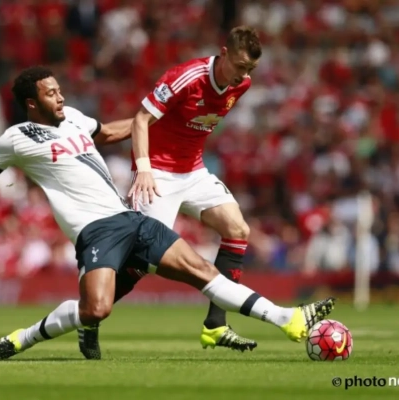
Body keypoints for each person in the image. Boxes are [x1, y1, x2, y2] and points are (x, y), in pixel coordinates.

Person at [0, 66, 335, 362]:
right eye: (51, 93)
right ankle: (19, 339)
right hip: (95, 232)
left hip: (130, 218)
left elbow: (115, 131)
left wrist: (158, 121)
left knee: (202, 271)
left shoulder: (76, 119)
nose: (60, 97)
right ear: (32, 103)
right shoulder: (16, 138)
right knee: (95, 308)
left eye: (60, 90)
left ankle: (289, 320)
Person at [78, 26, 266, 359]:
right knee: (143, 260)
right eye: (239, 65)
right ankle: (88, 317)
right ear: (223, 53)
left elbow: (194, 126)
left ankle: (216, 325)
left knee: (238, 229)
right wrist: (144, 168)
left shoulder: (243, 84)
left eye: (249, 68)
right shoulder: (186, 77)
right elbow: (140, 120)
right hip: (157, 174)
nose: (243, 74)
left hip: (194, 171)